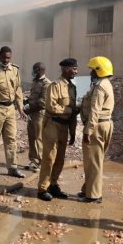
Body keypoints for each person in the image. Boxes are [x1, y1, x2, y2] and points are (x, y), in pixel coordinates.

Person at [37, 58, 79, 201]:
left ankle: (53, 185)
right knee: (49, 158)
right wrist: (68, 110)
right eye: (74, 68)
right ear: (66, 69)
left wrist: (72, 133)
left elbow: (73, 114)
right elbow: (51, 107)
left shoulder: (72, 88)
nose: (76, 71)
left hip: (64, 127)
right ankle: (43, 188)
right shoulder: (55, 86)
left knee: (60, 159)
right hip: (52, 125)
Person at [78, 56, 115, 203]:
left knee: (93, 162)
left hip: (97, 125)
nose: (91, 73)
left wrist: (88, 131)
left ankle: (93, 195)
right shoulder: (105, 83)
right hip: (104, 124)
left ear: (99, 70)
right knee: (94, 160)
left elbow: (95, 110)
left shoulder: (100, 87)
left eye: (93, 70)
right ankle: (87, 189)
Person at [0, 46, 26, 178]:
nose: (6, 60)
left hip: (10, 109)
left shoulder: (15, 70)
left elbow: (18, 90)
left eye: (8, 58)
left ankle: (12, 168)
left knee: (11, 139)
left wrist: (20, 108)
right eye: (4, 57)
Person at [24, 62, 51, 172]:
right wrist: (25, 101)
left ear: (40, 70)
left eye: (34, 70)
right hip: (32, 113)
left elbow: (43, 102)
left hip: (39, 114)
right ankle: (33, 160)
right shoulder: (35, 81)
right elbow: (32, 97)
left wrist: (28, 108)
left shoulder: (47, 84)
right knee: (32, 137)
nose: (33, 72)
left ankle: (40, 162)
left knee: (39, 138)